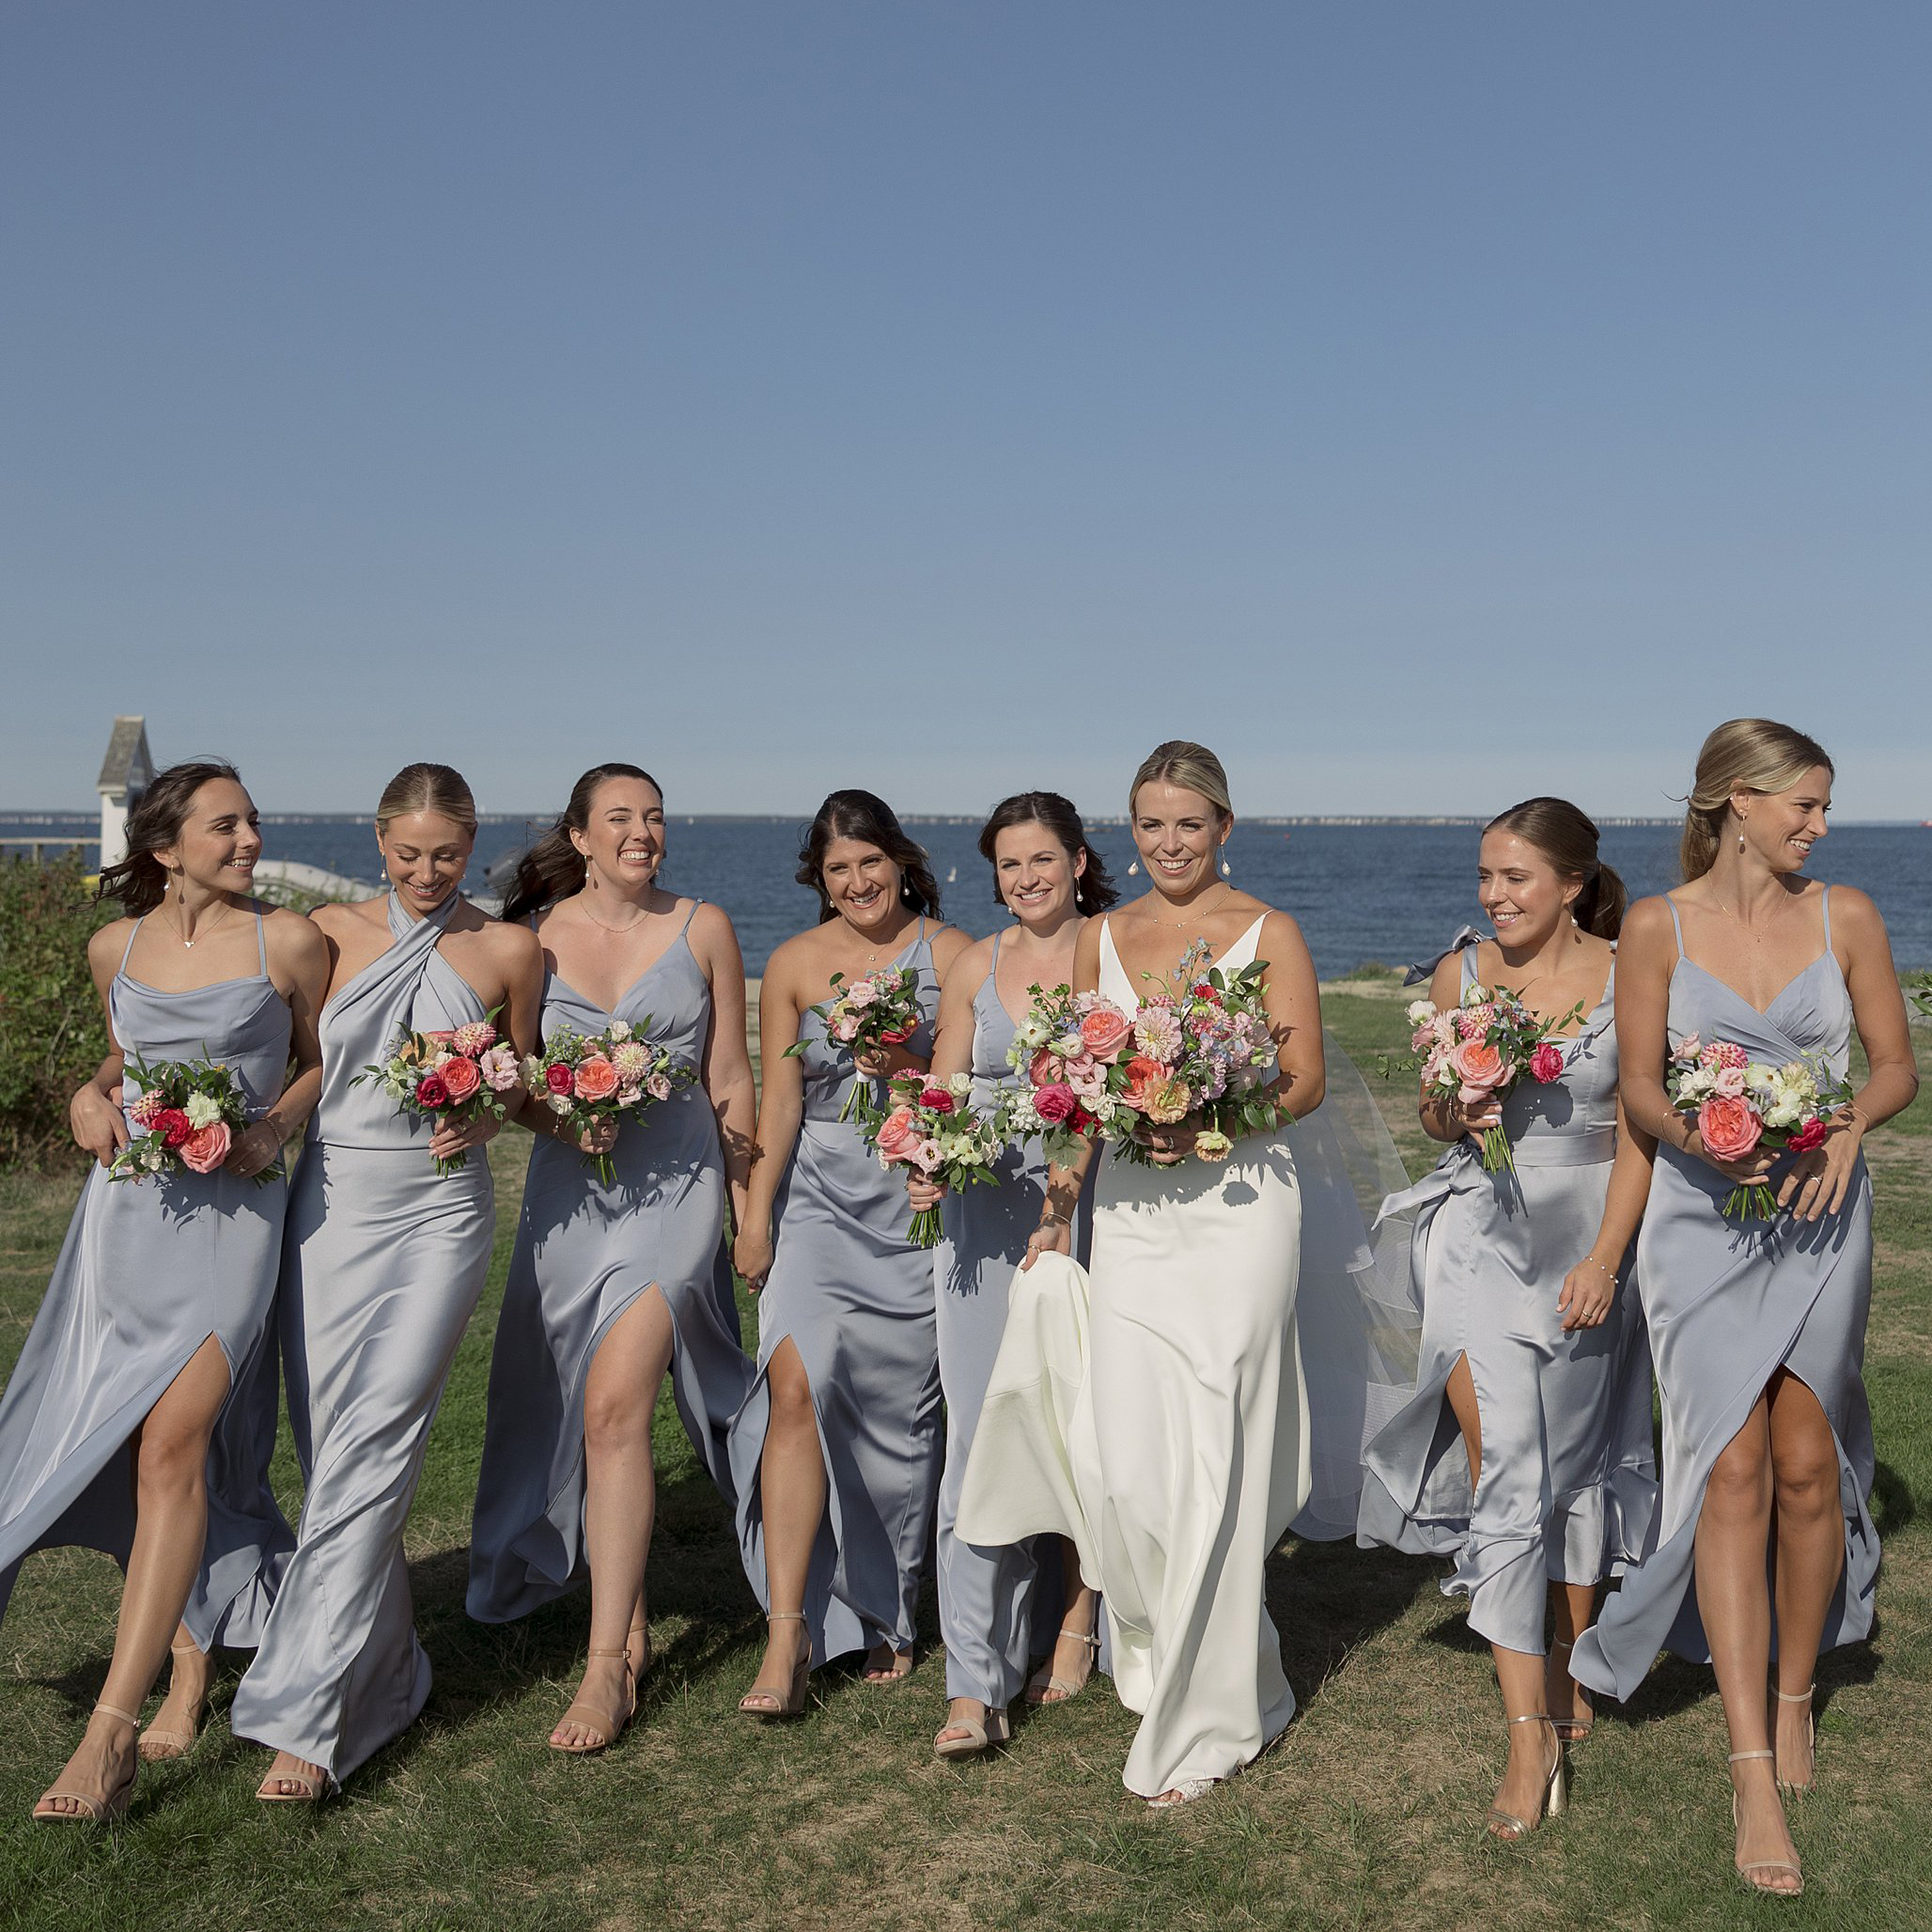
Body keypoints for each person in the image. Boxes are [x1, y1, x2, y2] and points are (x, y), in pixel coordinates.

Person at [1569, 721, 1916, 1896]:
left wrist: (1846, 1126)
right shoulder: (1657, 926)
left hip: (1821, 1212)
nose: (1818, 824)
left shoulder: (1849, 916)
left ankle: (1796, 1689)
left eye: (1824, 806)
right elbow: (1638, 1091)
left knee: (1809, 1462)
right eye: (1802, 804)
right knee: (1727, 1466)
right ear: (1733, 801)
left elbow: (1891, 1066)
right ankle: (1751, 1764)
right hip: (1699, 1223)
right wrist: (1712, 1134)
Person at [958, 741, 1324, 1806]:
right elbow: (1076, 1090)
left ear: (1223, 827)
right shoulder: (1104, 936)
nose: (1170, 844)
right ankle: (1211, 1661)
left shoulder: (1269, 931)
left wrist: (1204, 1109)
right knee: (1128, 1463)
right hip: (1133, 1214)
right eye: (1151, 826)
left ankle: (1204, 1724)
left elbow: (1297, 1080)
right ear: (1132, 833)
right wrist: (1057, 1209)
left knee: (1216, 1440)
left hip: (1240, 1207)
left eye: (1189, 825)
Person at [1, 762, 326, 1821]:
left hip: (236, 1221)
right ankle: (188, 1659)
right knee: (129, 1446)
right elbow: (115, 1060)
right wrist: (84, 1098)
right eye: (224, 824)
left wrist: (275, 1122)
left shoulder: (291, 941)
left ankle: (108, 1738)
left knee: (174, 1445)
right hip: (129, 1221)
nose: (248, 837)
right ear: (165, 847)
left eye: (250, 821)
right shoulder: (116, 947)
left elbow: (323, 1059)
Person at [231, 762, 544, 1800]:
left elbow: (529, 1080)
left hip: (440, 1216)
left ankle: (304, 1718)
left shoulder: (507, 947)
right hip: (330, 1212)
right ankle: (393, 1671)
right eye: (407, 854)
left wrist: (491, 1107)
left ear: (473, 844)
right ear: (378, 842)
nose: (425, 871)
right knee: (332, 1455)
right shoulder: (321, 930)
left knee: (379, 1442)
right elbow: (294, 1061)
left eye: (446, 854)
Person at [1357, 798, 1658, 1838]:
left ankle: (1571, 1668)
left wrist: (1606, 1260)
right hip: (1477, 1234)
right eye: (1484, 877)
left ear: (1573, 883)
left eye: (1515, 878)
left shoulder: (1630, 972)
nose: (1493, 897)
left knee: (1572, 1472)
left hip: (1583, 1244)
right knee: (1511, 1472)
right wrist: (1459, 1105)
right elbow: (1432, 1113)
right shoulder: (1460, 974)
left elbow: (1641, 1138)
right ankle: (1526, 1734)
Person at [467, 763, 756, 1753]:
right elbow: (503, 1082)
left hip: (675, 1193)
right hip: (569, 1198)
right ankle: (624, 1620)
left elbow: (727, 1076)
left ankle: (605, 1674)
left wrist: (749, 1213)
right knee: (580, 1411)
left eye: (656, 817)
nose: (644, 833)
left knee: (613, 1404)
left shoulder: (703, 924)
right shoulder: (531, 939)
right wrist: (561, 1115)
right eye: (621, 819)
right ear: (580, 836)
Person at [729, 790, 968, 1715]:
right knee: (796, 1383)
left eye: (869, 862)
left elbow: (955, 1086)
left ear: (900, 862)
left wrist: (900, 1061)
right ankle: (786, 1631)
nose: (857, 881)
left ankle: (886, 1608)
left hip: (911, 1201)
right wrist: (755, 1218)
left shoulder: (950, 956)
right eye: (838, 868)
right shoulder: (792, 963)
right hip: (817, 1205)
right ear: (817, 879)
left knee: (898, 1419)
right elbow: (779, 1103)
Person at [907, 792, 1115, 1758]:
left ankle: (1079, 1615)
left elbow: (1118, 1093)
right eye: (1009, 864)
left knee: (1086, 1427)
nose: (1026, 877)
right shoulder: (971, 964)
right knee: (976, 1434)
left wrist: (1062, 1206)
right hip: (981, 1218)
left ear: (1077, 860)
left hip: (1090, 1209)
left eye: (1043, 859)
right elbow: (942, 1082)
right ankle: (973, 1684)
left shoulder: (1116, 950)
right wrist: (919, 1154)